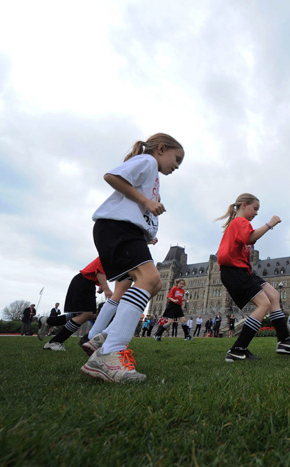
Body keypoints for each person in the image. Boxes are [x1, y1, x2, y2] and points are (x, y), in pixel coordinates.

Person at [80, 133, 184, 384]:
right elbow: (111, 176)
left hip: (124, 230)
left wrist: (146, 231)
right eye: (177, 158)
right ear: (161, 149)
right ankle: (109, 351)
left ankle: (107, 336)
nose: (177, 166)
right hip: (115, 227)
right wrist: (146, 201)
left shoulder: (153, 174)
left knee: (155, 283)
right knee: (149, 280)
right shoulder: (147, 162)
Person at [216, 193, 290, 361]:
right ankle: (237, 349)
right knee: (263, 304)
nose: (256, 213)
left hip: (244, 271)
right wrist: (270, 224)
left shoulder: (239, 223)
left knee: (273, 295)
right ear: (244, 205)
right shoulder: (239, 222)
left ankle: (284, 342)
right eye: (255, 209)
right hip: (233, 271)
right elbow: (250, 238)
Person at [41, 257, 113, 351]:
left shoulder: (112, 254)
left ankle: (50, 321)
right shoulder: (109, 253)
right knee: (87, 314)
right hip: (84, 282)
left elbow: (99, 272)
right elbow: (99, 271)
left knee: (89, 314)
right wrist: (106, 288)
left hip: (86, 283)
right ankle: (54, 341)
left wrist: (101, 286)